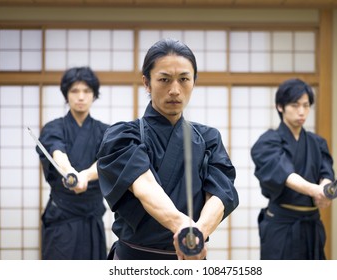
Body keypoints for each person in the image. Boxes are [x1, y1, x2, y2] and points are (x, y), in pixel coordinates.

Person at [96, 38, 239, 260]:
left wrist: (197, 232)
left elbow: (221, 194)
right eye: (164, 79)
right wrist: (183, 226)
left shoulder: (209, 139)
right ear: (147, 82)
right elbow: (144, 186)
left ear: (194, 81)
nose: (174, 90)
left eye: (184, 79)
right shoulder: (123, 136)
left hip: (190, 255)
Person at [250, 78, 335, 260]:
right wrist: (315, 190)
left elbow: (326, 172)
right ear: (280, 107)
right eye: (295, 105)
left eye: (306, 105)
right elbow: (284, 173)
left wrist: (326, 190)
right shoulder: (267, 142)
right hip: (281, 225)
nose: (302, 111)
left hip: (312, 225)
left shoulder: (317, 142)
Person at [36, 67, 109, 260]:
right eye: (74, 91)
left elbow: (107, 161)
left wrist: (84, 176)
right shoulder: (54, 127)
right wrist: (70, 172)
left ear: (94, 95)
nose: (81, 97)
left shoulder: (105, 131)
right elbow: (56, 150)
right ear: (66, 95)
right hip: (62, 215)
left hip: (92, 214)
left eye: (86, 91)